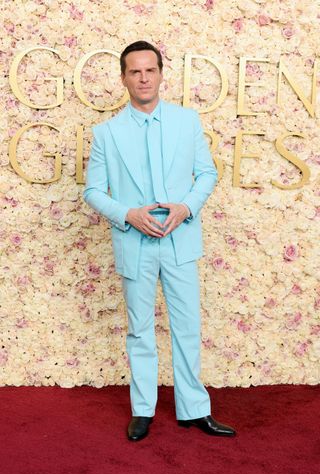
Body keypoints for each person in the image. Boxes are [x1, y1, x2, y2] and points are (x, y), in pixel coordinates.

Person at [83, 40, 236, 441]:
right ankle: (143, 409)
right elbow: (94, 191)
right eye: (135, 71)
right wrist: (128, 214)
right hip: (135, 242)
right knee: (140, 329)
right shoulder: (107, 133)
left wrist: (186, 208)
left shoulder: (187, 121)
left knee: (187, 325)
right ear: (124, 78)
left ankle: (194, 410)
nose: (144, 78)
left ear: (161, 74)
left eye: (150, 70)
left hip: (179, 239)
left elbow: (207, 174)